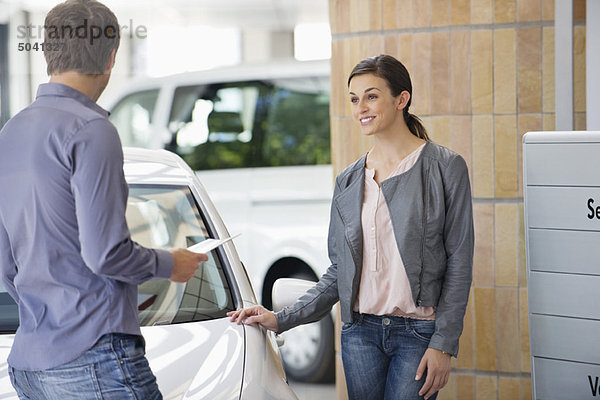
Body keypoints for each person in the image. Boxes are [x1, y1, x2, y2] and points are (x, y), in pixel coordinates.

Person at [228, 54, 473, 400]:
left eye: (371, 96)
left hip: (418, 333)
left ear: (401, 99)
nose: (361, 108)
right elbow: (340, 272)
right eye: (355, 99)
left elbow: (460, 262)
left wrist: (444, 344)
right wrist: (281, 317)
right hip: (359, 333)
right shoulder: (348, 181)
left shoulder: (445, 168)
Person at [0, 1, 207, 398]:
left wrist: (51, 310)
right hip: (94, 360)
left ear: (48, 53)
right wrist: (171, 263)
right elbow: (105, 255)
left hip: (30, 366)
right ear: (111, 58)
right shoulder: (92, 129)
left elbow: (7, 263)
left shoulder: (11, 132)